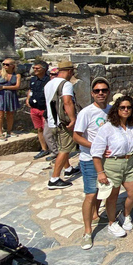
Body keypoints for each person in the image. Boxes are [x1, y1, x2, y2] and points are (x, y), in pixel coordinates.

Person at [91, 95, 133, 238]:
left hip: (129, 163)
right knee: (112, 196)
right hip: (112, 164)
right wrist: (100, 172)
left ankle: (125, 215)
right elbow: (96, 152)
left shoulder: (132, 127)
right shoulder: (107, 128)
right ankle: (111, 222)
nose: (126, 110)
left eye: (128, 107)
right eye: (122, 107)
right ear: (117, 109)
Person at [73, 77, 111, 250]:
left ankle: (96, 214)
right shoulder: (86, 113)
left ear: (108, 92)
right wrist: (96, 147)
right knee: (90, 194)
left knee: (103, 190)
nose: (101, 93)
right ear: (92, 93)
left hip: (107, 159)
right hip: (89, 158)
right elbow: (77, 136)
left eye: (104, 90)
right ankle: (87, 232)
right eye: (97, 91)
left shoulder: (111, 110)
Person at [45, 61, 80, 189]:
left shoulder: (49, 84)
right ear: (70, 71)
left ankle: (68, 168)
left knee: (61, 146)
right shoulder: (66, 84)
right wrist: (73, 119)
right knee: (65, 149)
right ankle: (54, 179)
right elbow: (67, 101)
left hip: (52, 121)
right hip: (62, 122)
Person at [26, 61, 52, 159]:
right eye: (34, 68)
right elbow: (30, 89)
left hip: (44, 109)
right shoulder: (33, 79)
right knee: (39, 129)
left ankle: (53, 149)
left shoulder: (49, 80)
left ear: (44, 69)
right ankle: (44, 149)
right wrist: (28, 98)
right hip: (34, 108)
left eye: (38, 68)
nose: (35, 70)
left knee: (48, 130)